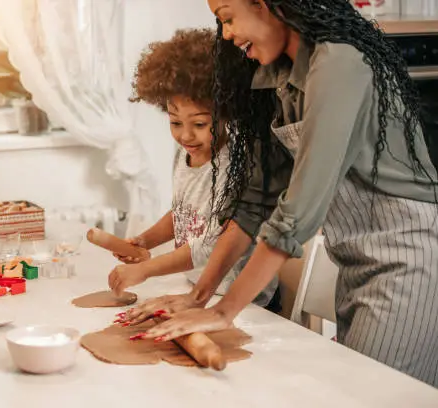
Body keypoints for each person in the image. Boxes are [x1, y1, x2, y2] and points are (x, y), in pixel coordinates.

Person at [124, 0, 438, 387]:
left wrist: (225, 311)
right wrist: (199, 295)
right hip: (355, 264)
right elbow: (256, 200)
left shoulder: (340, 63)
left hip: (407, 261)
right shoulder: (277, 77)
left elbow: (299, 209)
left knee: (370, 393)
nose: (225, 33)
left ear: (266, 4)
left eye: (227, 17)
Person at [108, 28, 281, 317]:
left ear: (227, 114)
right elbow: (182, 213)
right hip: (198, 289)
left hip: (241, 300)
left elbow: (211, 245)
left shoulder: (235, 165)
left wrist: (147, 269)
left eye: (200, 125)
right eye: (175, 122)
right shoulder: (185, 154)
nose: (185, 135)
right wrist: (145, 241)